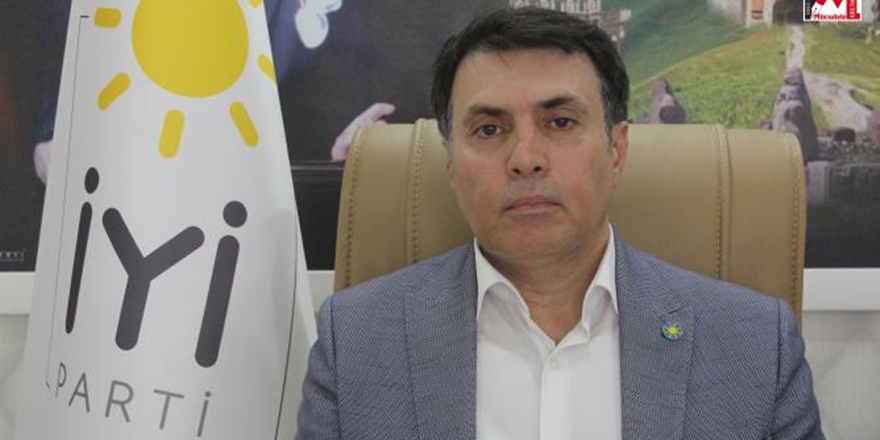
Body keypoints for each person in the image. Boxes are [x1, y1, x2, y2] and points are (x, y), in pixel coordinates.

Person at [296, 7, 823, 440]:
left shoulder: (755, 347)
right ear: (451, 165)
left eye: (561, 122)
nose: (526, 159)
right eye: (489, 129)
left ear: (616, 150)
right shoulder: (357, 343)